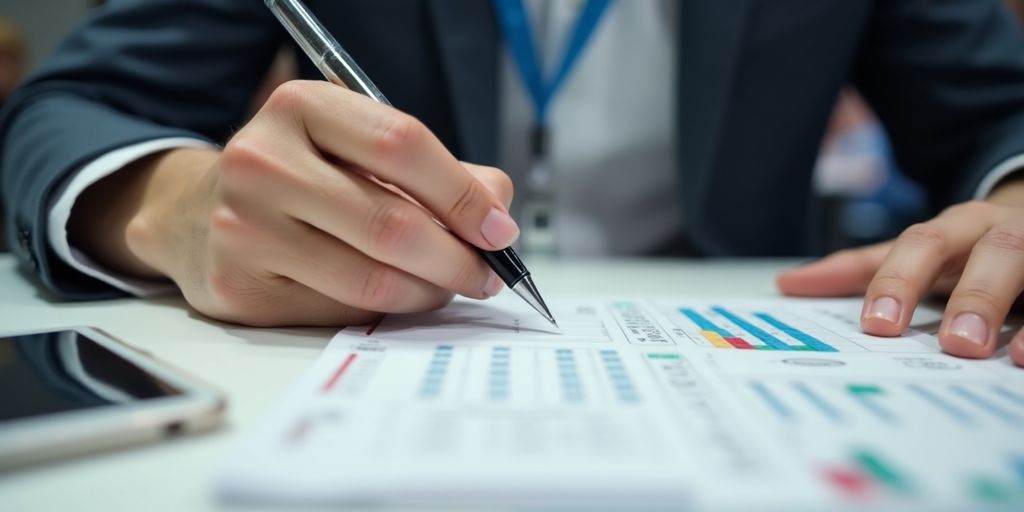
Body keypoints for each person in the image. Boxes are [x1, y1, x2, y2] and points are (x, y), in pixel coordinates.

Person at [3, 0, 1024, 368]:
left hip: (738, 338)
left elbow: (997, 107)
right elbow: (71, 106)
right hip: (360, 339)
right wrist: (176, 208)